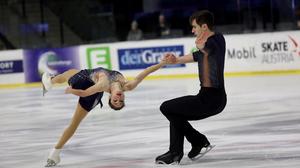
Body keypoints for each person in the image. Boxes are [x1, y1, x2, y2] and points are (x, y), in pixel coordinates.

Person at [42, 61, 166, 167]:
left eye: (115, 101)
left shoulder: (104, 84)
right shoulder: (128, 86)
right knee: (70, 73)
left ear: (109, 98)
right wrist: (163, 63)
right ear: (124, 97)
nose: (118, 99)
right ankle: (55, 155)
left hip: (83, 82)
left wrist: (72, 91)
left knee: (69, 75)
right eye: (121, 101)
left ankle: (50, 81)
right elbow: (146, 72)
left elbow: (85, 93)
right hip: (92, 90)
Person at [155, 10, 227, 164]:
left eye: (195, 27)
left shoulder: (215, 42)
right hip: (209, 97)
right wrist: (176, 60)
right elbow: (197, 56)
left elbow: (209, 50)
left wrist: (202, 47)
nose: (193, 30)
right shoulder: (211, 43)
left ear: (204, 27)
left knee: (166, 107)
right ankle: (179, 151)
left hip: (211, 98)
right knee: (175, 112)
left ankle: (194, 142)